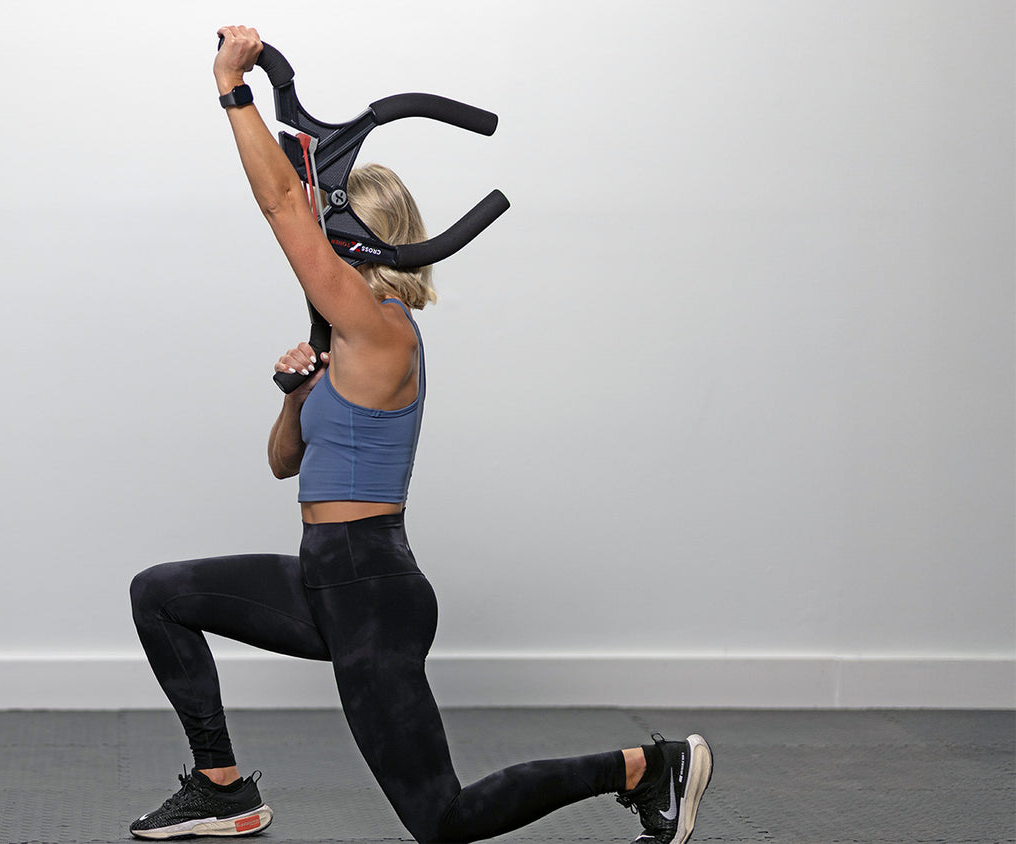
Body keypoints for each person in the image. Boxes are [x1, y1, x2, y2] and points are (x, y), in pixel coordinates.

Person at [126, 26, 713, 844]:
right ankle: (221, 789)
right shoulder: (344, 343)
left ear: (363, 241)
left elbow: (281, 207)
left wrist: (234, 91)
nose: (317, 250)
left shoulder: (384, 332)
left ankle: (649, 766)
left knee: (443, 819)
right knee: (160, 593)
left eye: (333, 235)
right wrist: (294, 399)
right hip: (323, 579)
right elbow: (281, 465)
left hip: (372, 593)